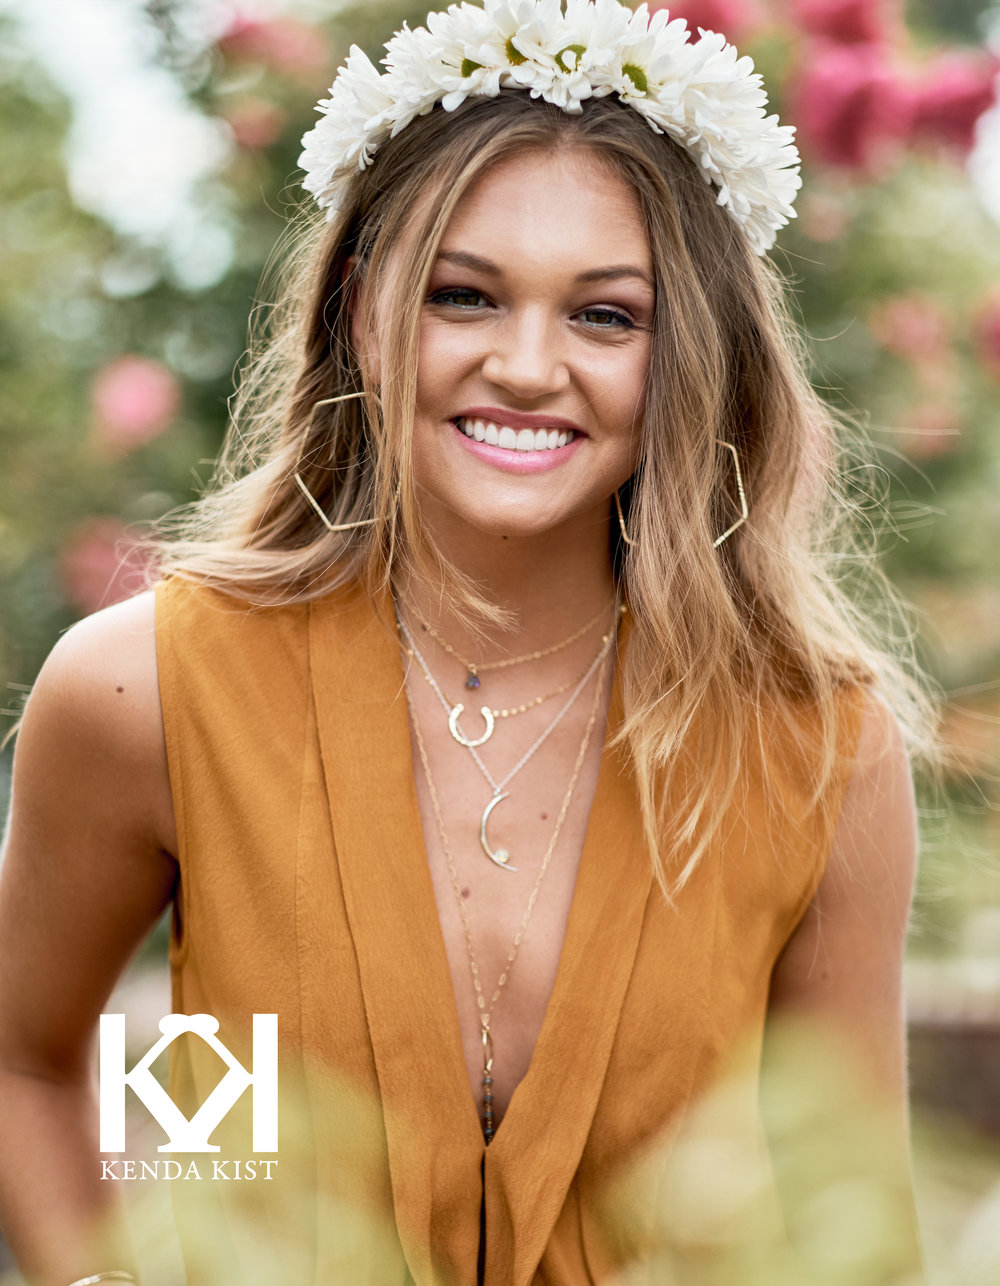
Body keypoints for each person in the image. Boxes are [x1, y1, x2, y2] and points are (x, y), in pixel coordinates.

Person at [0, 1, 935, 1283]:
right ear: (361, 315)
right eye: (463, 295)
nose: (527, 364)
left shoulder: (815, 746)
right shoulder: (148, 689)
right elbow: (25, 1059)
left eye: (607, 315)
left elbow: (853, 1229)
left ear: (689, 358)